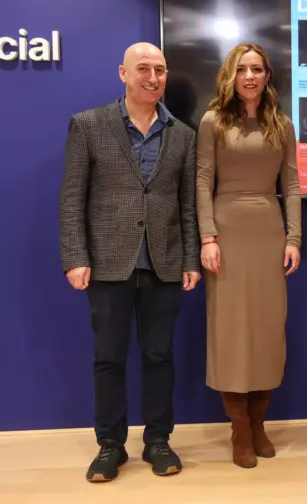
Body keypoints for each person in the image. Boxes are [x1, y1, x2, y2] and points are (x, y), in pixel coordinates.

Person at [59, 42, 201, 482]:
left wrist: (191, 257)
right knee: (109, 358)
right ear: (123, 73)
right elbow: (72, 199)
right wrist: (75, 257)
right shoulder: (88, 125)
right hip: (106, 263)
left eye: (160, 69)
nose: (153, 77)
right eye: (143, 69)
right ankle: (110, 445)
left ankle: (158, 440)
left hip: (165, 262)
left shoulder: (183, 134)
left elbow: (187, 204)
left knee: (160, 356)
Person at [196, 43, 302, 469]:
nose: (250, 76)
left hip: (269, 233)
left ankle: (259, 423)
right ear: (231, 75)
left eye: (257, 69)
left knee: (265, 330)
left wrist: (294, 238)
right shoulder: (213, 121)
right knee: (231, 331)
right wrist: (208, 237)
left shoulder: (282, 125)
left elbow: (291, 185)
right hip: (226, 232)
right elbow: (203, 182)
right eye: (242, 69)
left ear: (267, 76)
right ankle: (238, 427)